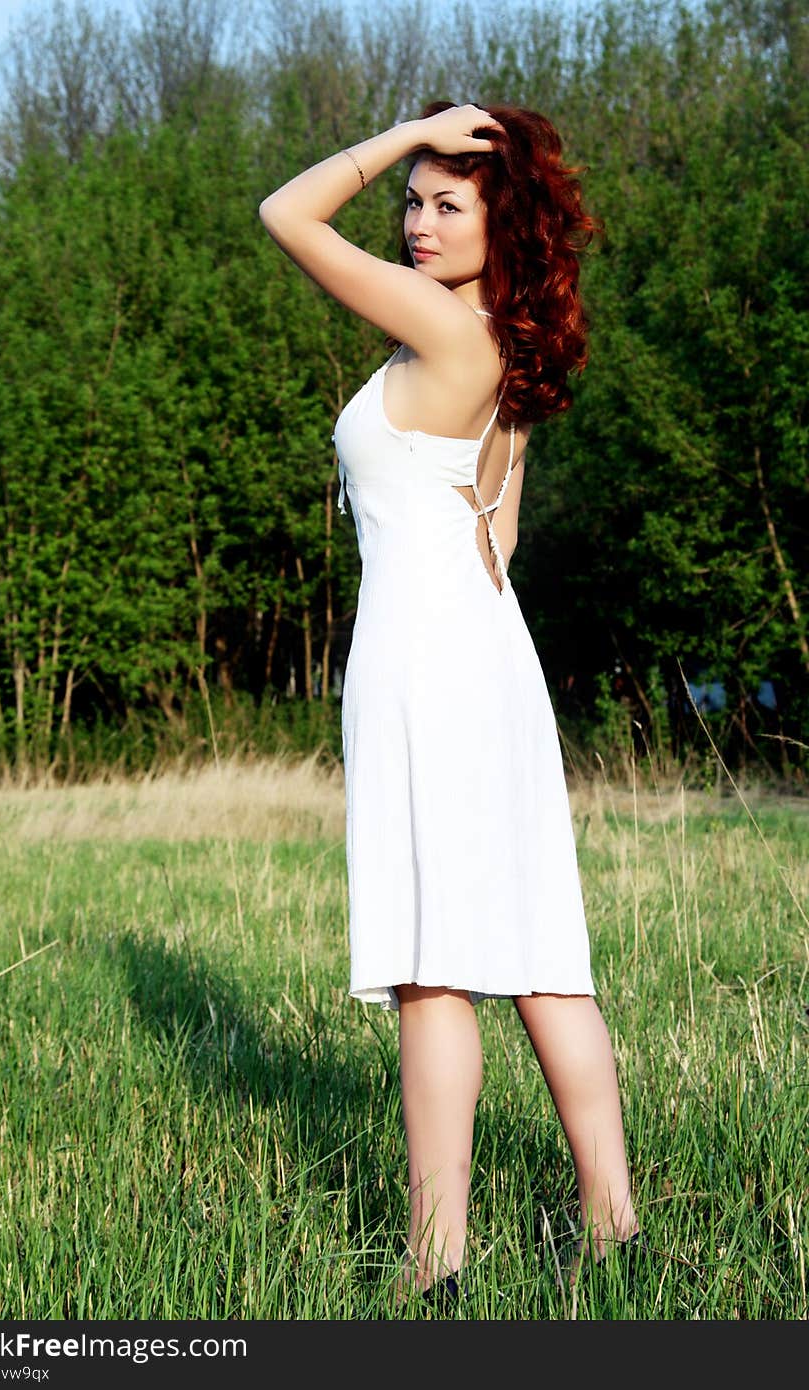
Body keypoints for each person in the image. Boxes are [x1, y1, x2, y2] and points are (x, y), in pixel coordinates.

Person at [259, 101, 640, 1308]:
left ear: (500, 221)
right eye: (409, 200)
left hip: (427, 661)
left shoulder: (438, 324)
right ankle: (617, 1232)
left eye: (445, 202)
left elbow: (283, 212)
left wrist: (395, 132)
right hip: (486, 653)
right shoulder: (505, 350)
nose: (416, 224)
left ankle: (436, 1267)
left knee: (437, 969)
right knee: (542, 958)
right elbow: (500, 542)